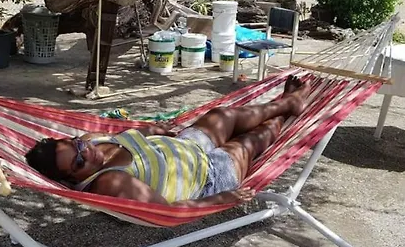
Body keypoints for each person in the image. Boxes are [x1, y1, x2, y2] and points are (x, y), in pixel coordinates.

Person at [26, 76, 310, 208]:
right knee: (250, 141)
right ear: (71, 180)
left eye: (77, 145)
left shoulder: (91, 140)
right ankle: (285, 110)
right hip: (208, 177)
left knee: (223, 114)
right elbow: (167, 210)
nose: (85, 152)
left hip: (186, 145)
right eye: (79, 162)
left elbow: (127, 137)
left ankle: (286, 103)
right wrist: (220, 199)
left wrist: (151, 130)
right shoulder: (109, 182)